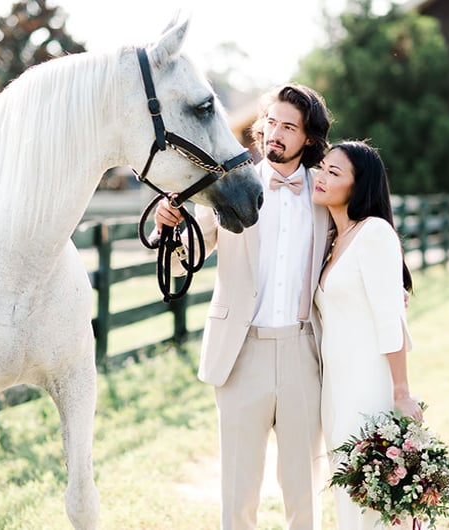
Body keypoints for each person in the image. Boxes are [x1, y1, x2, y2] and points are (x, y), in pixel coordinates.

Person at [154, 84, 332, 530]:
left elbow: (360, 244)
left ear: (308, 138)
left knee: (303, 490)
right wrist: (170, 229)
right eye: (271, 122)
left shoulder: (325, 195)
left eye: (289, 127)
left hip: (303, 353)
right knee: (237, 490)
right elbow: (186, 259)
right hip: (240, 352)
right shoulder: (230, 186)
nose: (275, 133)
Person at [310, 140, 422, 529]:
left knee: (371, 499)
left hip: (367, 385)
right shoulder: (333, 240)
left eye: (334, 172)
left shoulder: (374, 233)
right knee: (347, 493)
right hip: (335, 388)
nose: (320, 177)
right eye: (322, 167)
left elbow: (390, 318)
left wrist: (402, 393)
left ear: (358, 187)